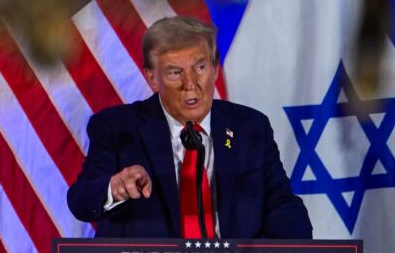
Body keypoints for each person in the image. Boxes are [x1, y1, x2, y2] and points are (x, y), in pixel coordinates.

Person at [67, 16, 312, 239]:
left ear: (215, 69)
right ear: (152, 79)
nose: (191, 84)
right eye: (175, 72)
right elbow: (81, 199)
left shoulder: (249, 127)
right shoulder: (118, 127)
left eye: (200, 67)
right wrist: (115, 187)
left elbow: (282, 206)